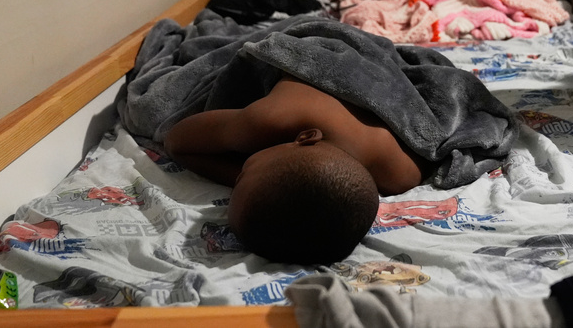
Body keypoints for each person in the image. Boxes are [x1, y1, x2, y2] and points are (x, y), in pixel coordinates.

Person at [164, 75, 432, 265]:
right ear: (304, 138)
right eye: (241, 178)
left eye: (236, 179)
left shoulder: (402, 177)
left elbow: (179, 146)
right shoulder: (266, 119)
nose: (237, 174)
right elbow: (176, 140)